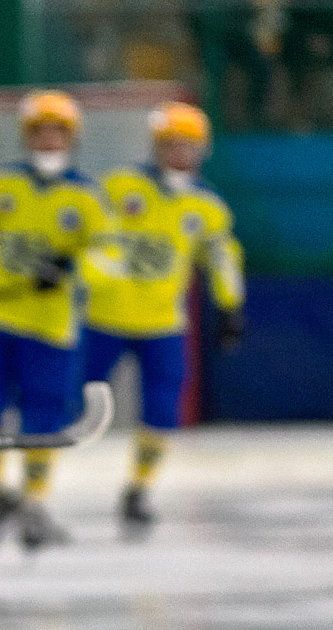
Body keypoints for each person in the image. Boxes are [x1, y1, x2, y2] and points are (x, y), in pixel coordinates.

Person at [0, 90, 116, 555]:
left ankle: (36, 500)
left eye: (57, 130)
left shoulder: (86, 196)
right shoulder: (1, 186)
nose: (47, 138)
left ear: (71, 136)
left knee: (42, 415)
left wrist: (68, 268)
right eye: (40, 130)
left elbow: (107, 256)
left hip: (50, 325)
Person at [83, 102, 245, 536]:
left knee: (161, 410)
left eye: (188, 145)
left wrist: (230, 306)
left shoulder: (206, 206)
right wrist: (91, 277)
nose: (180, 152)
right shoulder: (121, 185)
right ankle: (36, 486)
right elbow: (90, 237)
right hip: (106, 316)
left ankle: (139, 487)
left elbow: (221, 257)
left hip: (162, 323)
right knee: (64, 400)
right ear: (157, 145)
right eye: (172, 143)